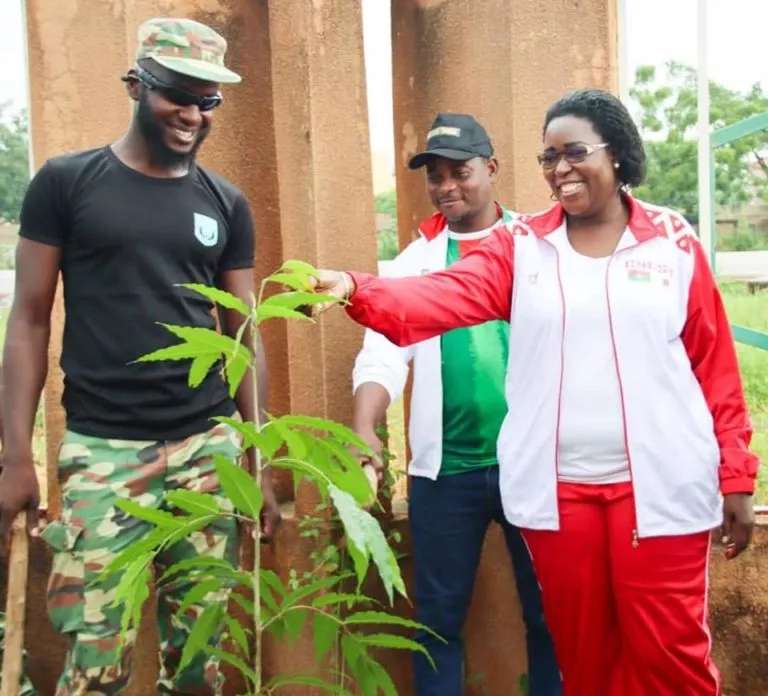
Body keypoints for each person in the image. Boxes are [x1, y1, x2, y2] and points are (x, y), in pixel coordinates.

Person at [313, 89, 759, 696]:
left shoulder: (672, 243)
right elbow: (438, 296)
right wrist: (353, 287)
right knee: (583, 659)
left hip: (660, 490)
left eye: (575, 152)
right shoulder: (522, 248)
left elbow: (716, 369)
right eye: (549, 158)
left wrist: (736, 474)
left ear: (619, 154)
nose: (560, 169)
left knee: (670, 659)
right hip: (560, 497)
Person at [0, 18, 281, 695]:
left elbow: (243, 331)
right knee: (95, 663)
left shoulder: (225, 204)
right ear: (135, 84)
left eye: (207, 100)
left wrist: (259, 459)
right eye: (175, 94)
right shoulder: (67, 185)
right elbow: (30, 320)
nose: (191, 113)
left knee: (198, 666)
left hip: (206, 453)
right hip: (103, 456)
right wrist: (15, 457)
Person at [352, 113, 561, 696]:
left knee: (551, 617)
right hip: (445, 477)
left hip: (535, 466)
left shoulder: (542, 247)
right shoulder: (416, 262)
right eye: (435, 176)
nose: (447, 187)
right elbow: (382, 355)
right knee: (438, 623)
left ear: (491, 169)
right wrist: (366, 426)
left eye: (460, 172)